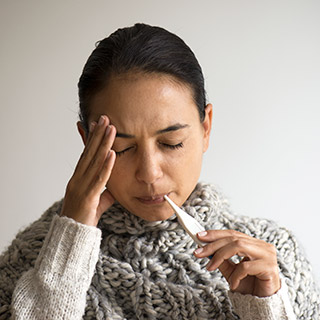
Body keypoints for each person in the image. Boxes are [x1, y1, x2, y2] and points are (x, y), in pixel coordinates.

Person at [0, 23, 319, 320]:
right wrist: (67, 247)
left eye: (171, 142)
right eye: (122, 148)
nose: (150, 173)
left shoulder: (275, 259)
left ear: (206, 128)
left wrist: (267, 310)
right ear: (88, 141)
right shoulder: (35, 256)